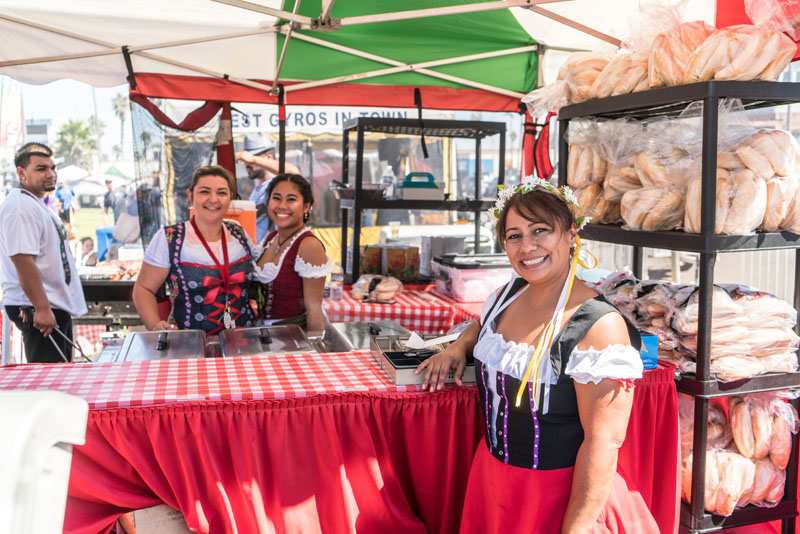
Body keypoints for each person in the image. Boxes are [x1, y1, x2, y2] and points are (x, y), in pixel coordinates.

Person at [416, 180, 657, 534]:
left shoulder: (598, 326)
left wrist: (576, 527)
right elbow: (482, 325)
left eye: (540, 231)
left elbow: (603, 442)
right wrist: (458, 347)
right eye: (514, 235)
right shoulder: (506, 294)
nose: (526, 246)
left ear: (571, 235)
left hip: (558, 499)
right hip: (493, 484)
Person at [133, 165, 256, 334]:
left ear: (230, 198)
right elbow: (144, 288)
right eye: (204, 192)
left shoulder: (239, 233)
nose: (213, 199)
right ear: (191, 196)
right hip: (190, 344)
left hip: (242, 340)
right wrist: (154, 325)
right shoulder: (169, 238)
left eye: (221, 193)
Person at [0, 143, 87, 362]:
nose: (50, 174)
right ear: (22, 173)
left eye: (52, 167)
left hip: (49, 305)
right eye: (41, 169)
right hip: (37, 306)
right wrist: (41, 308)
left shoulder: (32, 203)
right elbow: (22, 260)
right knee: (50, 387)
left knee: (60, 380)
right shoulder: (20, 207)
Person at [252, 174, 331, 335]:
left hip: (292, 337)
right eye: (276, 198)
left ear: (306, 207)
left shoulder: (308, 245)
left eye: (291, 199)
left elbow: (314, 309)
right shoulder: (270, 239)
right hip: (262, 335)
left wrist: (314, 348)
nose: (282, 206)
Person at [236, 134, 300, 242]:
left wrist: (252, 159)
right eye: (245, 161)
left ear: (269, 158)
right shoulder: (257, 189)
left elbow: (294, 173)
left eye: (251, 159)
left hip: (274, 253)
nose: (247, 164)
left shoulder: (278, 185)